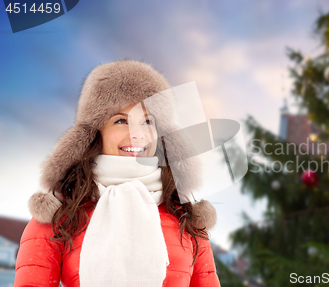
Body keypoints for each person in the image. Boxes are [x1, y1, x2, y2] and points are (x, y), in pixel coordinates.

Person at [14, 60, 221, 287]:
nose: (138, 134)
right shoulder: (60, 214)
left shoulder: (186, 218)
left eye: (148, 121)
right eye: (121, 120)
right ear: (94, 133)